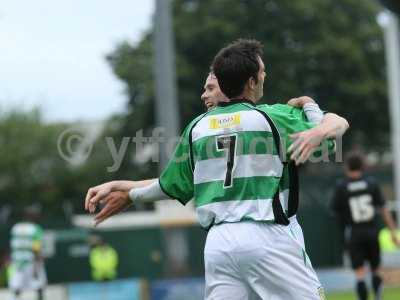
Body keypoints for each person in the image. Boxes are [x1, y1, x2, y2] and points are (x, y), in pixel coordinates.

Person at [85, 39, 349, 299]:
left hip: (218, 244)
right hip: (265, 234)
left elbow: (172, 184)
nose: (264, 76)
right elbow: (331, 136)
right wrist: (311, 107)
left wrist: (130, 193)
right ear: (252, 82)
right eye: (262, 72)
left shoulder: (196, 128)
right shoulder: (273, 117)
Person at [331, 152, 399, 300]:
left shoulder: (342, 186)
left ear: (347, 166)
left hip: (354, 232)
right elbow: (383, 209)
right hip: (371, 230)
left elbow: (335, 212)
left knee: (360, 273)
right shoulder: (371, 183)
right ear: (362, 166)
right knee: (376, 270)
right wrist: (393, 232)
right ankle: (377, 297)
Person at [9, 205, 47, 300]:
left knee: (17, 286)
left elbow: (13, 245)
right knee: (39, 285)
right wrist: (37, 262)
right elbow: (36, 248)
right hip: (31, 261)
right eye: (36, 214)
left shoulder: (16, 227)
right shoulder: (35, 229)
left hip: (17, 262)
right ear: (32, 216)